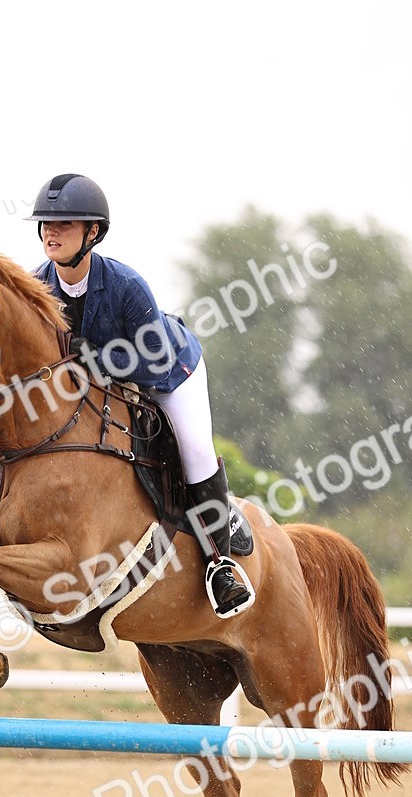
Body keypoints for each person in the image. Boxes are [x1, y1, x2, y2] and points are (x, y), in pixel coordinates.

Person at [29, 172, 254, 619]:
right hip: (101, 385)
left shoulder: (126, 285)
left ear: (92, 232)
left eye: (65, 224)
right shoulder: (38, 285)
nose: (51, 232)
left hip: (170, 372)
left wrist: (89, 361)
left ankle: (220, 565)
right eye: (46, 224)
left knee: (193, 449)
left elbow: (152, 360)